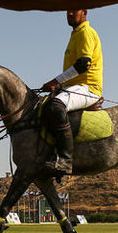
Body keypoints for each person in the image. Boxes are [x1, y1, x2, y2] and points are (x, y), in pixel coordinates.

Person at [41, 9, 103, 175]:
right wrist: (59, 86)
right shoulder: (75, 34)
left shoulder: (85, 32)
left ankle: (66, 160)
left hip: (88, 87)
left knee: (56, 106)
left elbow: (84, 64)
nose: (69, 14)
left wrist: (56, 82)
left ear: (84, 12)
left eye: (74, 10)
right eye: (67, 11)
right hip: (74, 86)